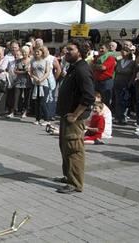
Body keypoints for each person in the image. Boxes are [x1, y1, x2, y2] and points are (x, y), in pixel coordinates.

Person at [55, 39, 95, 194]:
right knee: (65, 148)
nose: (67, 52)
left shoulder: (82, 69)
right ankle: (68, 177)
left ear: (80, 51)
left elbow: (89, 97)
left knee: (74, 150)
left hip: (74, 118)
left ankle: (75, 183)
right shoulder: (74, 67)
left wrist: (75, 114)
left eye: (70, 49)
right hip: (67, 115)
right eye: (66, 49)